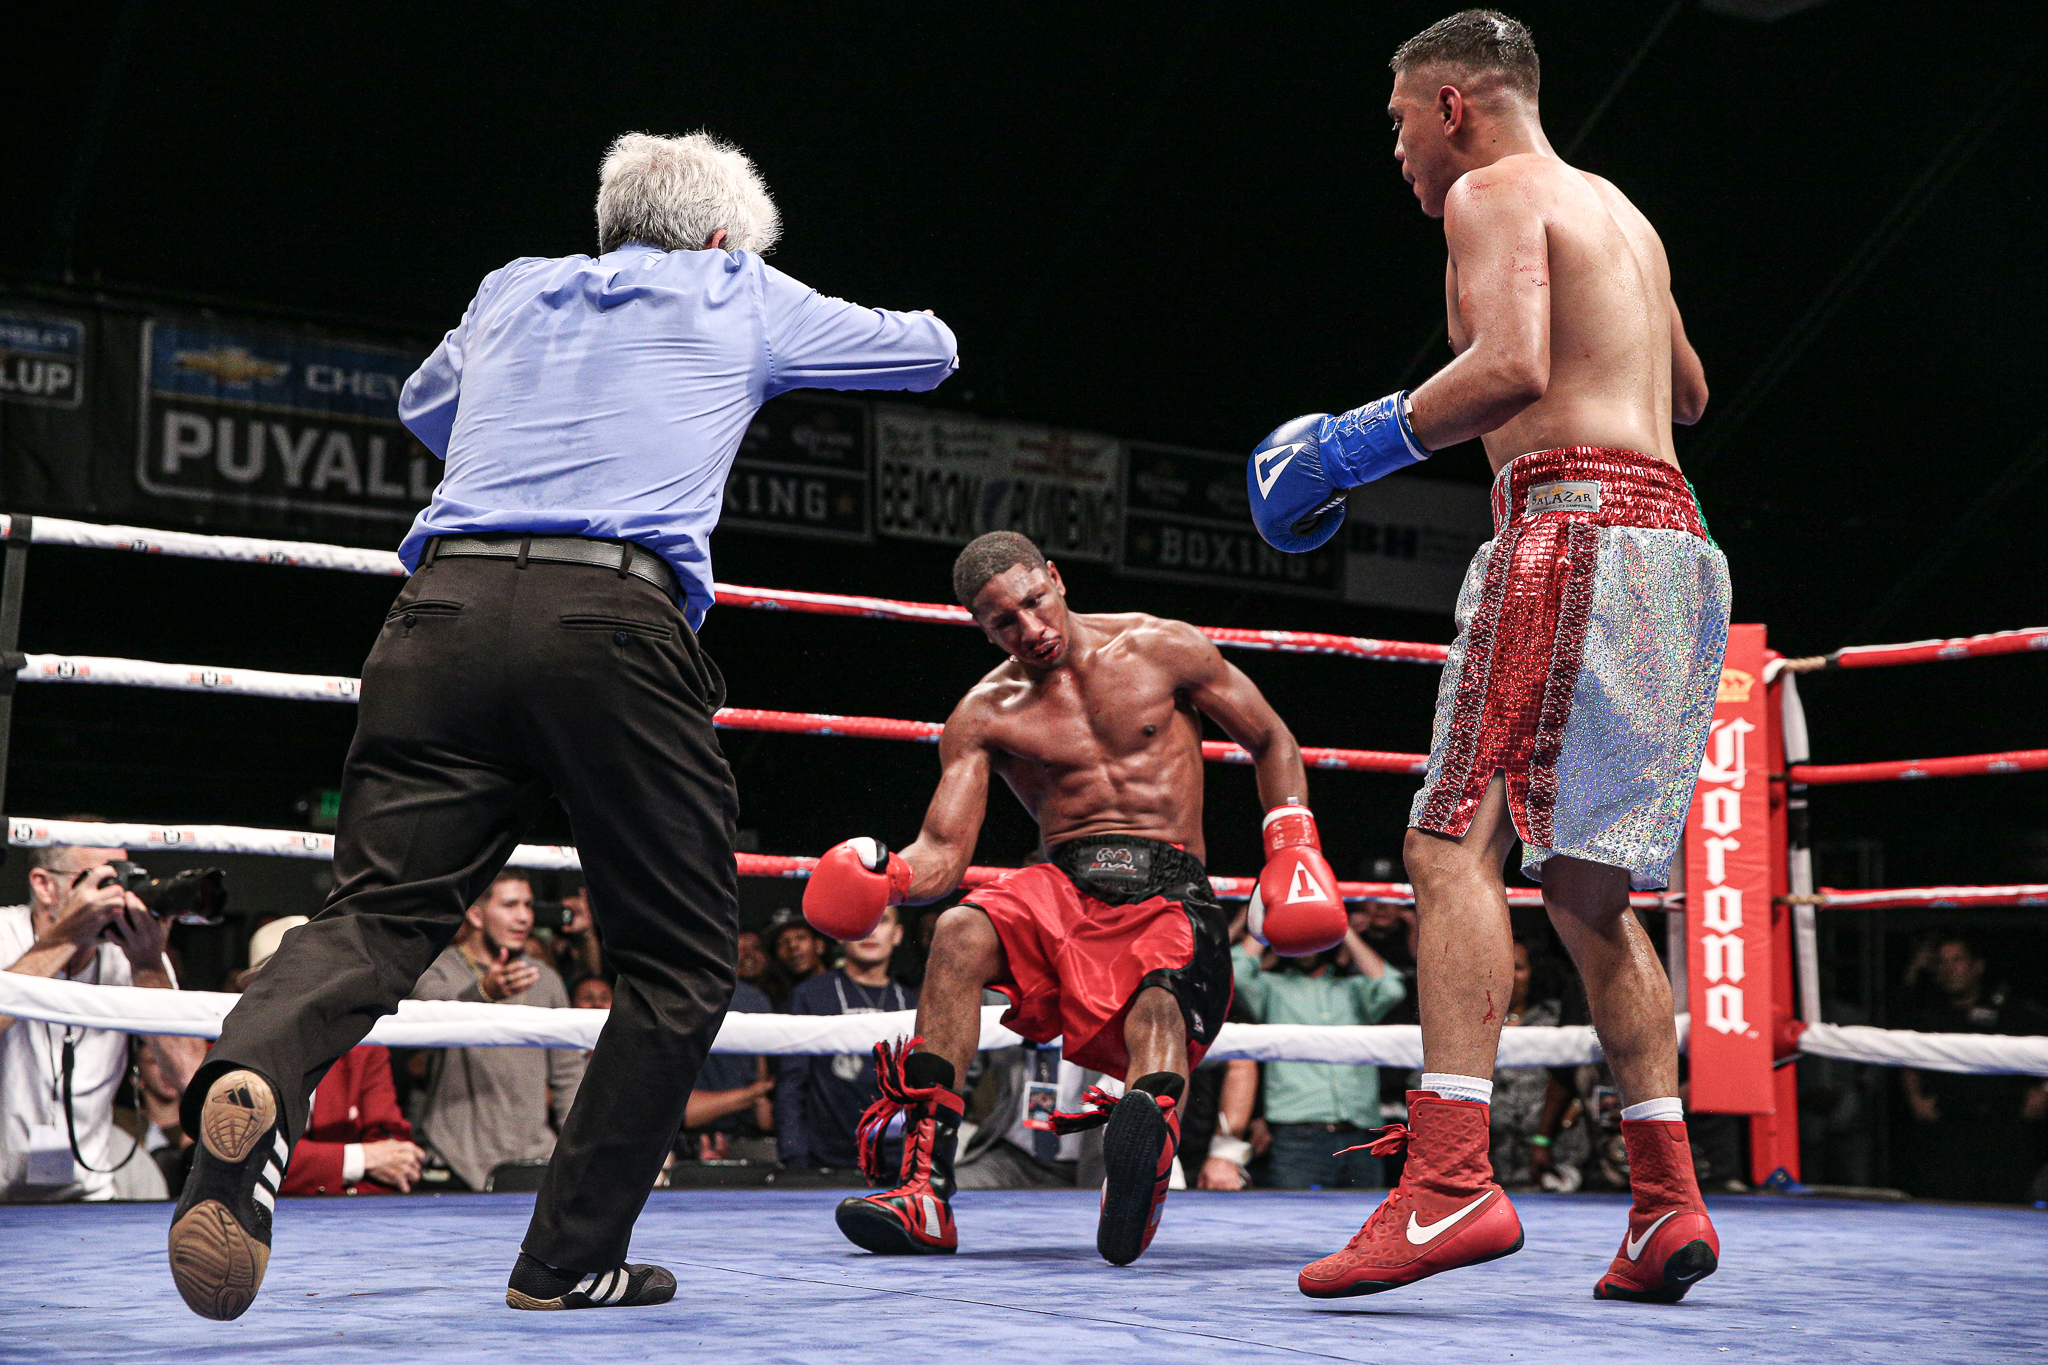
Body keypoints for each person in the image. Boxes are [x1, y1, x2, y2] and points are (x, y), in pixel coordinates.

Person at [167, 129, 959, 1319]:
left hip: (439, 613)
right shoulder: (734, 283)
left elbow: (424, 408)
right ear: (720, 234)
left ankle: (253, 1073)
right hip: (612, 623)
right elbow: (929, 351)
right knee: (681, 963)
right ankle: (564, 1261)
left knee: (377, 913)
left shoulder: (508, 288)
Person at [1247, 12, 1728, 1303]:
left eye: (1400, 123)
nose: (1399, 153)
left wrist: (1353, 443)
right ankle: (1666, 1206)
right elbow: (1687, 392)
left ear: (1452, 105)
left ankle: (1451, 1177)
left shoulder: (1491, 193)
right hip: (1678, 548)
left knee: (1448, 839)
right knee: (1587, 894)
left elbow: (1512, 367)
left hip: (1568, 526)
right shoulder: (1620, 213)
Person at [804, 530, 1344, 1264]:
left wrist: (1292, 843)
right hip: (1064, 883)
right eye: (1003, 622)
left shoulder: (1163, 648)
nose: (1030, 629)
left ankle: (1141, 1158)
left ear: (1056, 578)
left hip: (1168, 879)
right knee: (960, 930)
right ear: (980, 627)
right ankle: (923, 1191)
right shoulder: (984, 713)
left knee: (1158, 1006)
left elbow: (1271, 739)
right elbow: (942, 851)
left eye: (1034, 601)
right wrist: (888, 876)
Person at [2, 840, 204, 1202]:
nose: (115, 895)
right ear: (44, 885)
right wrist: (66, 937)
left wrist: (149, 965)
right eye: (98, 880)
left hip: (88, 1194)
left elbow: (190, 1074)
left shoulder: (127, 954)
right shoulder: (4, 933)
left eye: (124, 879)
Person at [406, 874, 586, 1192]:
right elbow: (428, 1017)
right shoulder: (438, 969)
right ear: (476, 914)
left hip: (535, 1158)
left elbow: (568, 1075)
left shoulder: (545, 979)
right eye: (510, 905)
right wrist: (483, 992)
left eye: (528, 905)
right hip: (455, 1160)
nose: (523, 916)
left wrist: (577, 1153)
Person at [1232, 923, 1406, 1189]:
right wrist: (1267, 922)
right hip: (1297, 1134)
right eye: (1299, 936)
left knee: (1367, 1222)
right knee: (1291, 1223)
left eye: (1313, 935)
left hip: (1361, 1131)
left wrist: (1340, 926)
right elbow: (1235, 971)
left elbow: (1392, 988)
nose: (1306, 944)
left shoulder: (1354, 989)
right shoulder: (1271, 988)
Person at [1900, 936, 2048, 1203]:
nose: (1949, 969)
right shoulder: (1927, 1012)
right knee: (1948, 1208)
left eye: (1957, 960)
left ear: (1977, 966)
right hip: (1948, 1128)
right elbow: (1903, 1053)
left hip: (2006, 1127)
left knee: (2011, 1209)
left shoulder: (2009, 1009)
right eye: (1941, 962)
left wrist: (2044, 1092)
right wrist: (1915, 1099)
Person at [775, 906, 915, 1172]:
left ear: (897, 935)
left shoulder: (911, 1002)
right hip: (822, 1161)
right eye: (862, 919)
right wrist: (795, 1157)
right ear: (840, 935)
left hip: (897, 1161)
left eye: (881, 920)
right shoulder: (811, 995)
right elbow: (792, 1083)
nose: (871, 930)